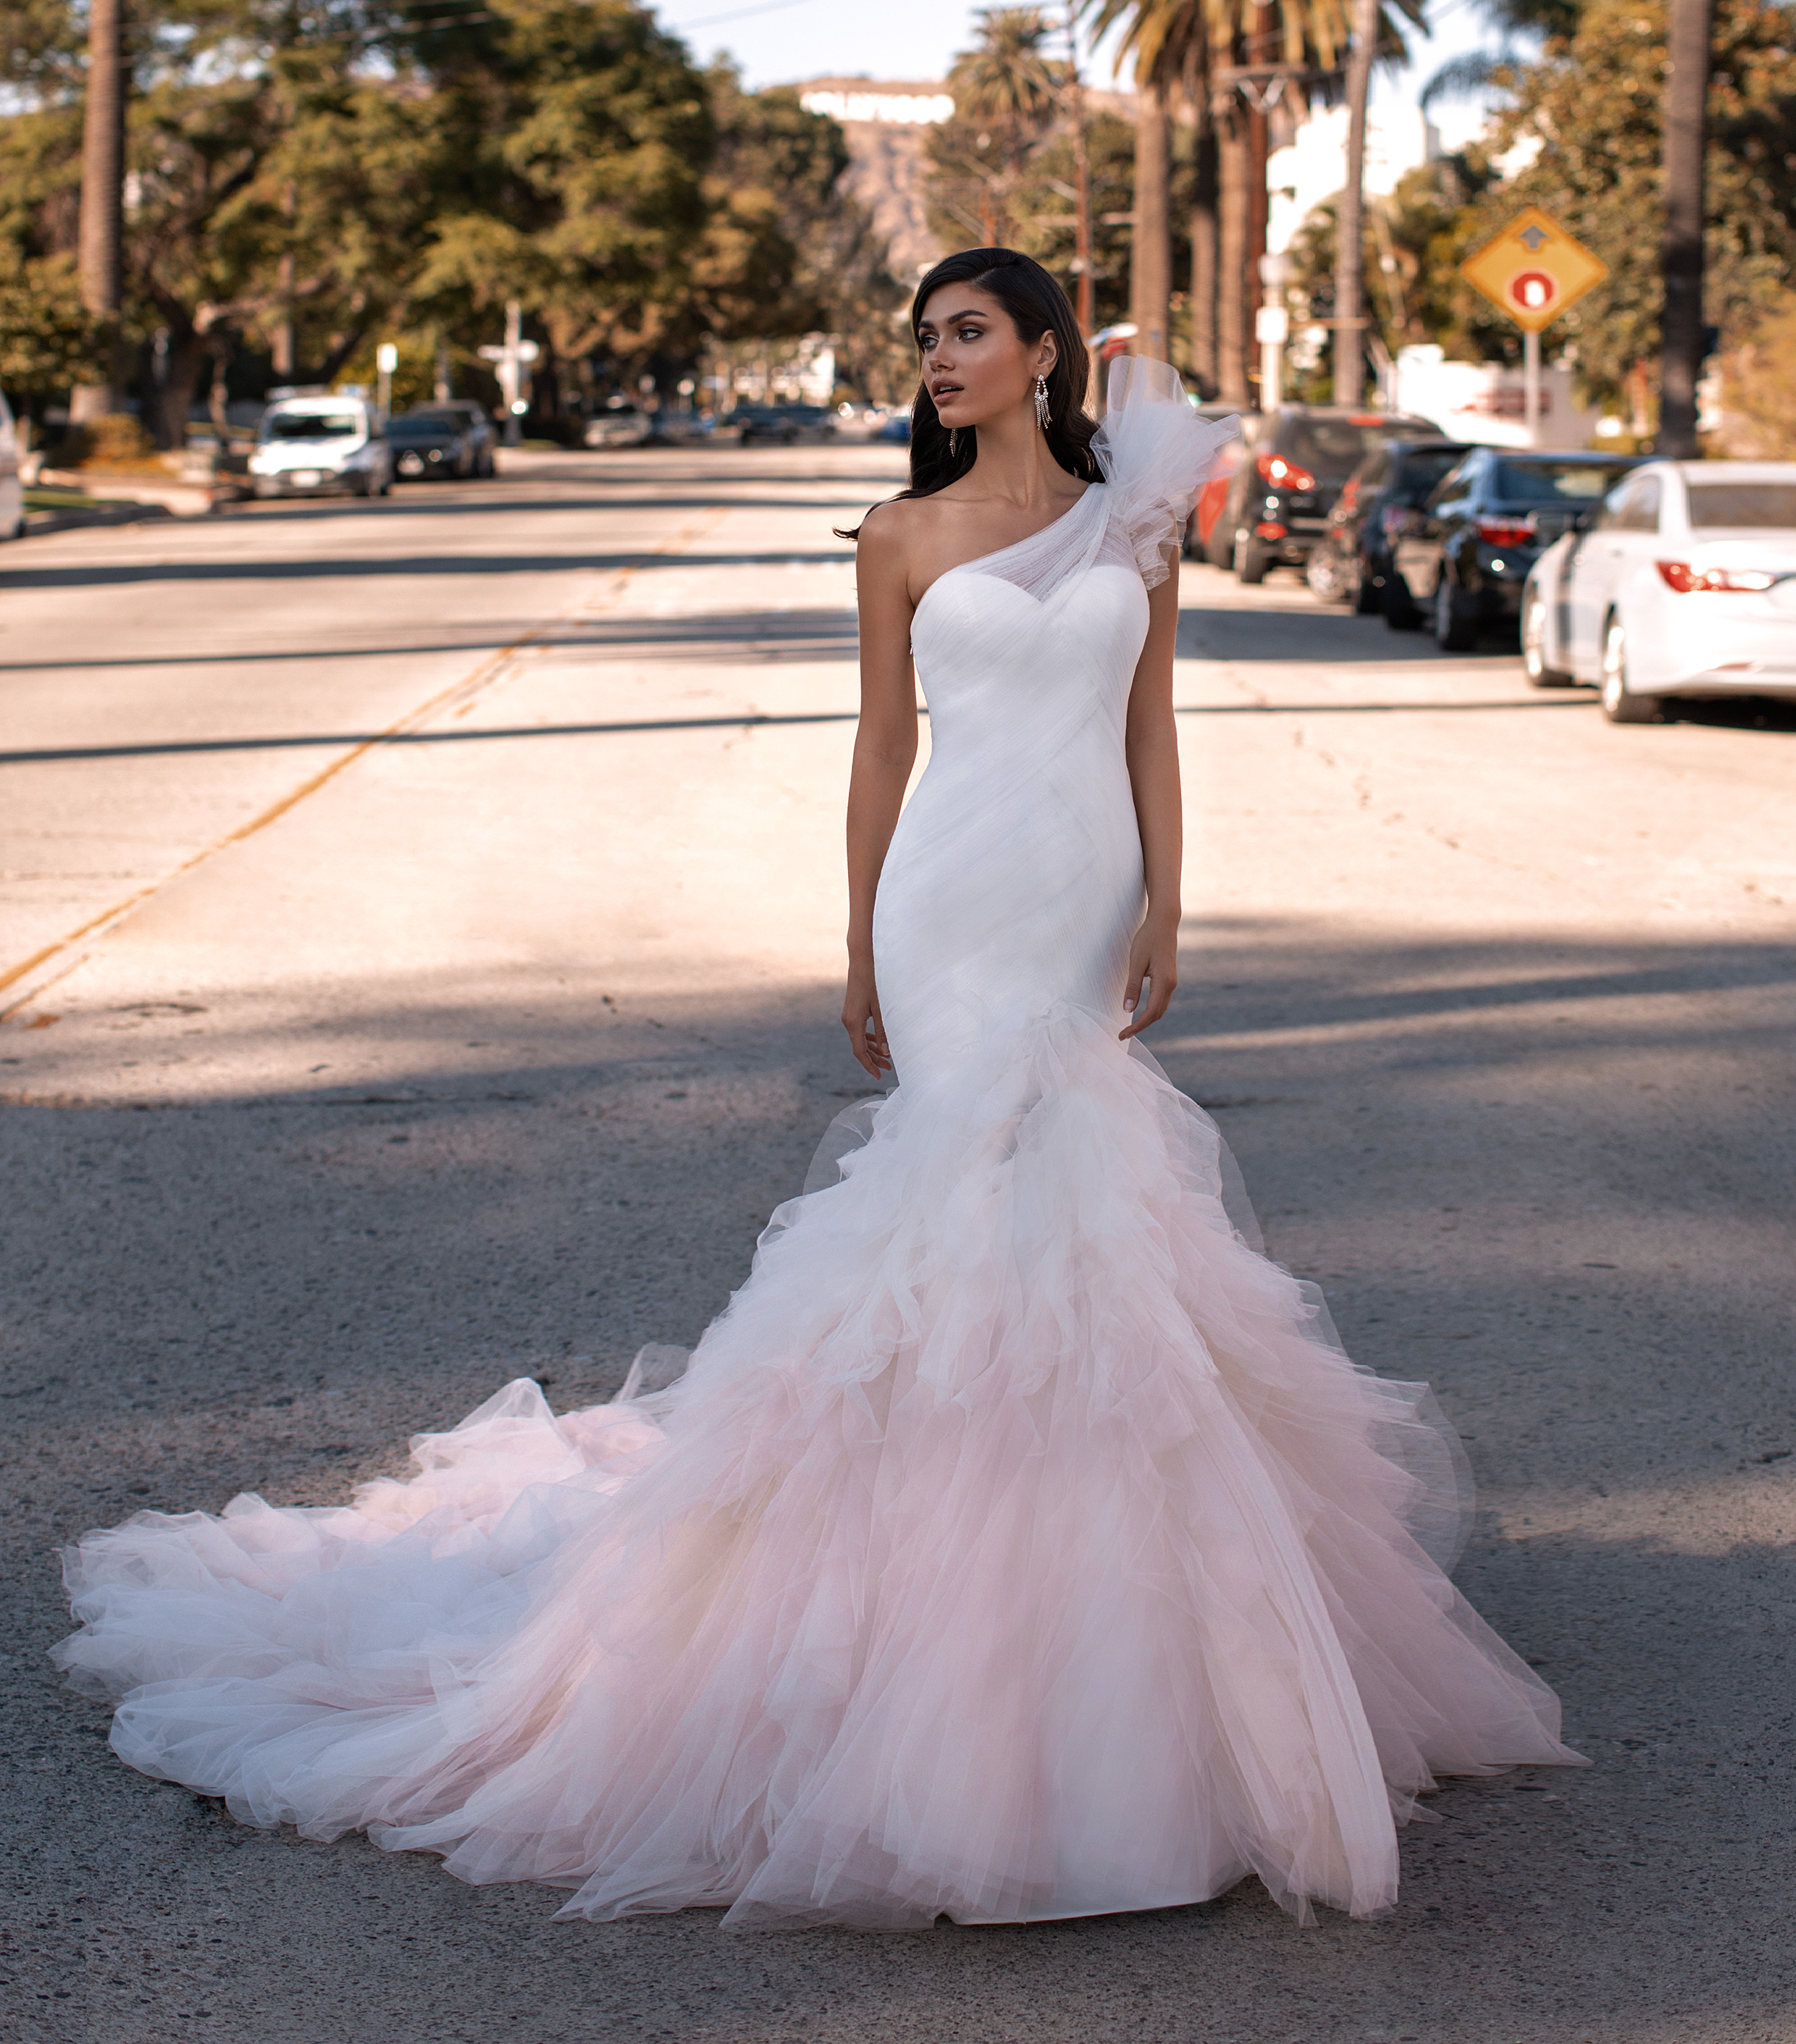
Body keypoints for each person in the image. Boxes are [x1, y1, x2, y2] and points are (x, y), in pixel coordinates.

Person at [56, 248, 1578, 1930]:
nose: (937, 358)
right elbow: (880, 748)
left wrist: (1165, 901)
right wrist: (859, 944)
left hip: (1077, 899)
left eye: (968, 332)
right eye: (923, 336)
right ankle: (909, 1622)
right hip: (945, 907)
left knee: (1082, 1208)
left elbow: (1152, 728)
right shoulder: (897, 534)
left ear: (1047, 354)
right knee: (958, 1206)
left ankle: (1095, 1635)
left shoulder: (1131, 521)